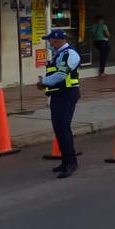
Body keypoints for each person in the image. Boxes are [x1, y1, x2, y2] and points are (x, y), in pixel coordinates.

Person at [37, 29, 81, 179]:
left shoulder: (70, 54)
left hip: (67, 94)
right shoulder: (59, 54)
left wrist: (44, 82)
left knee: (63, 128)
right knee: (58, 130)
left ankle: (70, 164)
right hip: (57, 95)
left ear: (56, 39)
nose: (49, 43)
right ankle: (66, 161)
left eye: (50, 40)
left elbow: (62, 74)